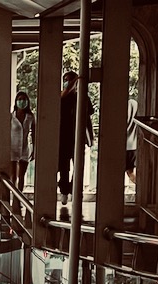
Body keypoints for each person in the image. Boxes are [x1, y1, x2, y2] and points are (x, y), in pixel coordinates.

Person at [57, 70, 95, 211]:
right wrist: (71, 86)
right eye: (66, 79)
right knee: (64, 166)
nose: (68, 82)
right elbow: (61, 98)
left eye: (70, 80)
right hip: (63, 136)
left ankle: (75, 190)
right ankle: (64, 191)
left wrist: (90, 137)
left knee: (79, 165)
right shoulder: (62, 96)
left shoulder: (83, 97)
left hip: (77, 136)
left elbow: (88, 117)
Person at [10, 90, 36, 192]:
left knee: (22, 175)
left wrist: (34, 149)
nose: (22, 102)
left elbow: (34, 133)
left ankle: (19, 196)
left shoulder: (30, 117)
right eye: (19, 99)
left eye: (24, 99)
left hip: (25, 148)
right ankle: (13, 194)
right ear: (16, 102)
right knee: (13, 176)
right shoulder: (11, 117)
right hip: (13, 148)